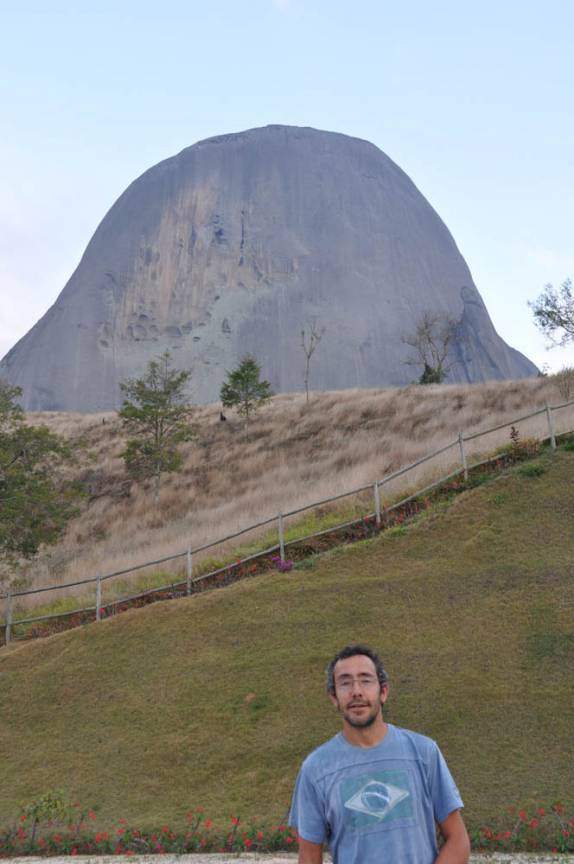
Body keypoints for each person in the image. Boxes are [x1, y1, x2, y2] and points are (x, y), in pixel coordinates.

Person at [289, 644, 470, 864]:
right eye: (345, 682)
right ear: (334, 697)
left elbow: (458, 839)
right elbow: (308, 857)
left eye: (365, 680)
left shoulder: (423, 753)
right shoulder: (315, 769)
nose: (356, 691)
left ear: (383, 692)